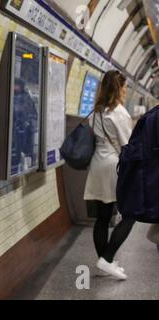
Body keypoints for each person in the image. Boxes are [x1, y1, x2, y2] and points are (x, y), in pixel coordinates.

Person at [84, 70, 136, 280]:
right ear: (119, 88)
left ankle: (105, 262)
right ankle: (107, 258)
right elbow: (127, 145)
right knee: (131, 214)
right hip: (113, 165)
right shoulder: (120, 113)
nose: (125, 91)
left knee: (102, 217)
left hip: (96, 164)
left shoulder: (96, 111)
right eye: (124, 87)